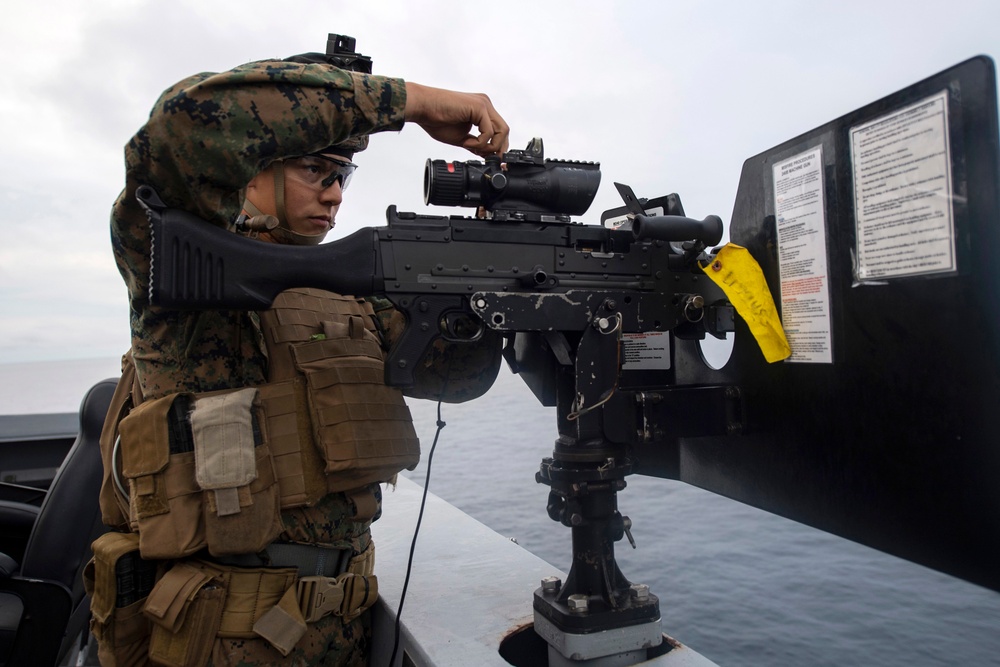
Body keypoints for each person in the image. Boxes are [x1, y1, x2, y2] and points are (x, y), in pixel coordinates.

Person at [88, 39, 506, 667]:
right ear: (250, 169)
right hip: (224, 637)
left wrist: (490, 297)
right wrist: (412, 103)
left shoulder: (349, 289)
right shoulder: (182, 269)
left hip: (346, 628)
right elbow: (181, 126)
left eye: (344, 176)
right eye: (317, 171)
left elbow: (454, 377)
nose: (336, 195)